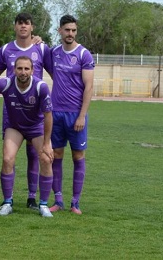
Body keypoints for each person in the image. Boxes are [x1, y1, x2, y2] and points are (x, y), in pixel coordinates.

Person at [0, 56, 54, 217]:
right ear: (13, 70)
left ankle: (44, 204)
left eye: (26, 69)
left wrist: (46, 143)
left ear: (32, 70)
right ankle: (7, 202)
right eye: (19, 68)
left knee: (46, 159)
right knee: (7, 159)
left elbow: (48, 116)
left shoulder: (41, 87)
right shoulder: (5, 83)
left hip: (36, 127)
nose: (23, 72)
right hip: (15, 127)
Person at [0, 12, 52, 210]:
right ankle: (8, 201)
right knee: (9, 157)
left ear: (32, 27)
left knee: (36, 156)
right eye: (20, 23)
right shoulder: (6, 49)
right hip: (13, 111)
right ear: (15, 26)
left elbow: (55, 73)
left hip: (36, 113)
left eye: (27, 24)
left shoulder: (41, 48)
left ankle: (33, 198)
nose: (23, 27)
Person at [49, 15, 95, 215]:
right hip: (55, 112)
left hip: (75, 113)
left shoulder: (84, 54)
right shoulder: (53, 53)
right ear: (59, 31)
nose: (70, 34)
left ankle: (75, 202)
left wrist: (82, 115)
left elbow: (89, 87)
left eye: (73, 30)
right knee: (56, 155)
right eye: (67, 30)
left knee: (78, 156)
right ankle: (58, 200)